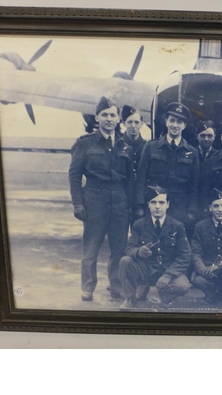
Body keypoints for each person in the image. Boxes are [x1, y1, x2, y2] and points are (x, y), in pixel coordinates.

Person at [68, 96, 132, 302]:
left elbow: (130, 179)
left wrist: (130, 205)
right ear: (97, 117)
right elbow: (74, 175)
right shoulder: (85, 144)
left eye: (113, 115)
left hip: (119, 201)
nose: (108, 119)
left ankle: (116, 285)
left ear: (119, 118)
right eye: (104, 115)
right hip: (94, 198)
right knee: (91, 247)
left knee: (119, 247)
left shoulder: (125, 146)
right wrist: (78, 203)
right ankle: (87, 287)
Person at [119, 186, 191, 309]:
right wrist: (139, 251)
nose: (157, 206)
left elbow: (185, 255)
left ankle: (164, 299)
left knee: (183, 285)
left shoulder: (177, 226)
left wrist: (168, 275)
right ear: (148, 204)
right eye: (154, 202)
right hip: (146, 269)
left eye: (161, 202)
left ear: (167, 204)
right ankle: (130, 298)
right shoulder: (139, 224)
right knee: (125, 261)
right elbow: (129, 248)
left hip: (167, 270)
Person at [135, 102, 199, 227]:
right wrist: (139, 206)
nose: (175, 125)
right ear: (166, 122)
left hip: (180, 206)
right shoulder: (151, 147)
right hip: (155, 204)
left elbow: (195, 185)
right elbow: (141, 179)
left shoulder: (192, 152)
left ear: (184, 125)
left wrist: (192, 210)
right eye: (172, 120)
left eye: (179, 122)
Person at [120, 105, 146, 224]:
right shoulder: (117, 144)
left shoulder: (147, 146)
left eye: (136, 122)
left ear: (142, 123)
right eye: (129, 122)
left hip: (141, 199)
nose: (133, 126)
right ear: (124, 123)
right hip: (122, 197)